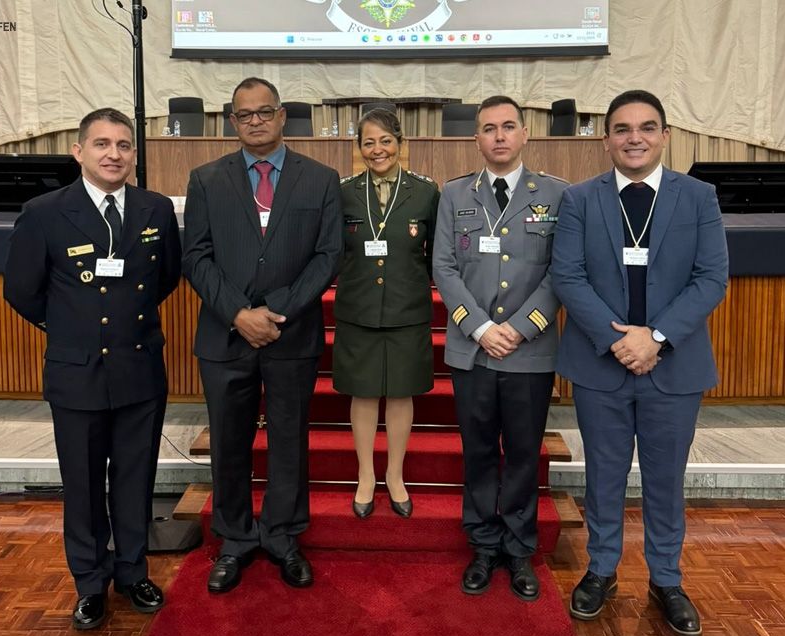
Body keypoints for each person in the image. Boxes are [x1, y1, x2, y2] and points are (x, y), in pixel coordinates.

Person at [551, 89, 728, 636]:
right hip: (601, 366)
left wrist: (655, 337)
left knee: (664, 480)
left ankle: (667, 579)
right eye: (623, 129)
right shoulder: (580, 199)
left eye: (647, 128)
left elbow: (711, 279)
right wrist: (621, 343)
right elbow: (568, 277)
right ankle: (601, 570)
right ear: (606, 138)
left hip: (673, 368)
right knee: (603, 476)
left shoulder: (698, 197)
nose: (635, 138)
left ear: (665, 135)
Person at [3, 108, 182, 629]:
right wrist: (71, 329)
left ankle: (132, 572)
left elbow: (166, 276)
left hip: (140, 369)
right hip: (76, 372)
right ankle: (89, 582)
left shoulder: (155, 210)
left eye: (124, 145)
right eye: (102, 144)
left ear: (133, 154)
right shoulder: (44, 212)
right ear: (79, 152)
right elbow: (20, 290)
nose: (114, 154)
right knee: (81, 486)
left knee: (135, 480)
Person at [182, 77, 343, 593]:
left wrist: (274, 311)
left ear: (281, 117)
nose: (255, 120)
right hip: (225, 337)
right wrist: (238, 313)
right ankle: (233, 540)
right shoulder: (206, 179)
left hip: (290, 335)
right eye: (244, 113)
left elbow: (328, 256)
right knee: (229, 442)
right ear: (233, 122)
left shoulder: (320, 179)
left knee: (288, 442)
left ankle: (282, 537)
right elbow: (196, 256)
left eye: (264, 111)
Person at [432, 95, 567, 600]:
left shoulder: (555, 194)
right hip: (473, 350)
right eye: (489, 128)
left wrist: (525, 326)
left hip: (529, 352)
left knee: (524, 454)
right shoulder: (455, 195)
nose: (500, 136)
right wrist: (480, 326)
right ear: (477, 139)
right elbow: (443, 267)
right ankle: (484, 546)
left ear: (525, 133)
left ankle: (518, 549)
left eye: (509, 126)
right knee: (480, 451)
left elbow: (562, 270)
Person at [333, 109, 439, 520]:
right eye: (368, 142)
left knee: (399, 393)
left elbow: (435, 255)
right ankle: (365, 475)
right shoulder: (342, 192)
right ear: (359, 148)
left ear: (400, 142)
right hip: (358, 307)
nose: (377, 150)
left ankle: (394, 474)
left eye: (385, 141)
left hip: (406, 307)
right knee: (362, 392)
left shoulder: (426, 192)